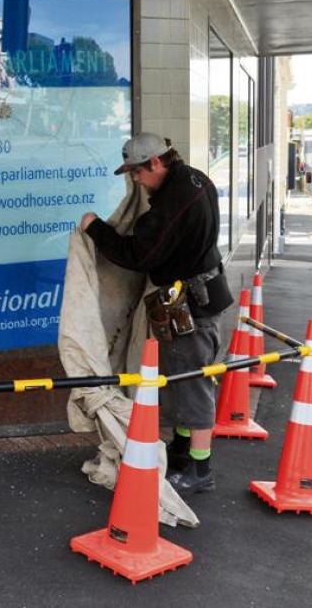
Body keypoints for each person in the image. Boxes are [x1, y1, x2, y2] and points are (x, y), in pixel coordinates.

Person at [79, 132, 233, 496]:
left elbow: (139, 256)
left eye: (136, 172)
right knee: (180, 379)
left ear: (156, 162)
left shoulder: (170, 205)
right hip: (201, 294)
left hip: (190, 305)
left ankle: (200, 467)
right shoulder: (197, 179)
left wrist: (96, 229)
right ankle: (181, 449)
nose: (135, 180)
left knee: (192, 383)